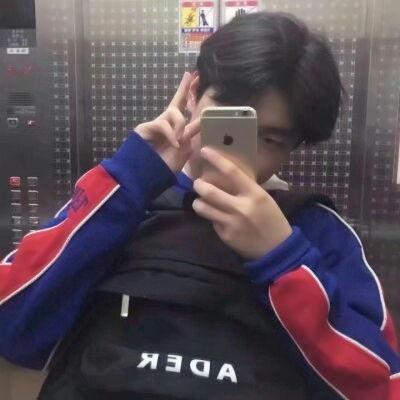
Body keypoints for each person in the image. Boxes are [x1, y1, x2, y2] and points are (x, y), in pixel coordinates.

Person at [0, 11, 399, 400]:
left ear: (295, 144)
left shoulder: (316, 230)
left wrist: (283, 259)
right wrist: (131, 176)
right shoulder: (120, 199)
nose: (243, 151)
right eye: (228, 121)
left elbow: (380, 386)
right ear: (191, 92)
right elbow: (11, 323)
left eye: (272, 140)